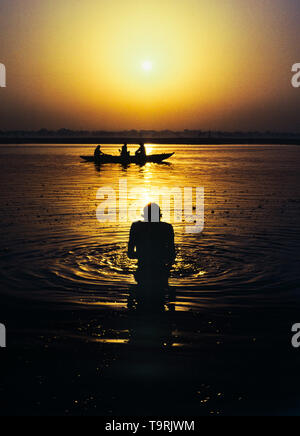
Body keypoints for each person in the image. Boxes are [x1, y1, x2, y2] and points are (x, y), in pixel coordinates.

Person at [128, 203, 176, 289]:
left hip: (142, 270)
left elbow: (130, 254)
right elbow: (172, 254)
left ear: (144, 216)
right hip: (161, 271)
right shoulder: (167, 228)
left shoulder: (136, 227)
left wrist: (144, 255)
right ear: (160, 216)